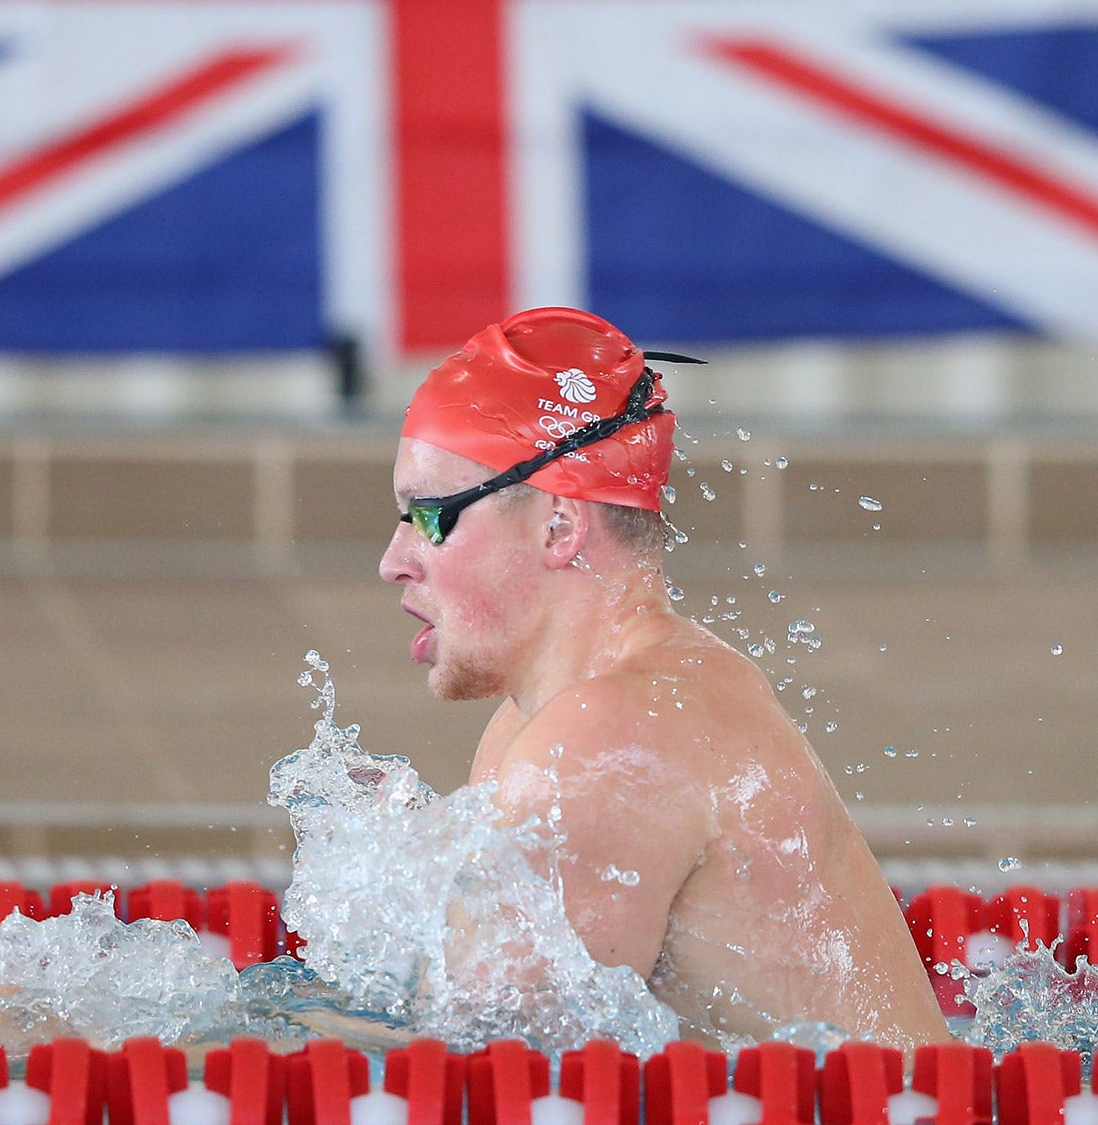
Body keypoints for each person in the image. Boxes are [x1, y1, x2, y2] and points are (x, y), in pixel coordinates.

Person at [381, 307, 949, 1046]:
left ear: (558, 525)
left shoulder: (602, 744)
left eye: (429, 518)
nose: (393, 561)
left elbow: (487, 1084)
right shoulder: (597, 704)